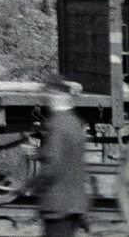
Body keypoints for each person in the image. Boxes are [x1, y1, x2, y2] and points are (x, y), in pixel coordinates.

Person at [25, 79, 90, 237]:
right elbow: (67, 157)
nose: (45, 101)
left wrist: (27, 186)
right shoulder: (75, 122)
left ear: (57, 96)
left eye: (47, 96)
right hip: (74, 204)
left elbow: (52, 167)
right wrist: (40, 154)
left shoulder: (57, 124)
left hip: (58, 205)